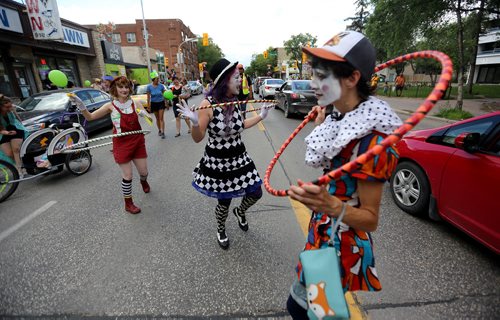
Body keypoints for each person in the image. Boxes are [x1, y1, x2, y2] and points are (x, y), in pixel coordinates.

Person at [285, 31, 403, 318]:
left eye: (322, 76)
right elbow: (331, 162)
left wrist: (331, 205)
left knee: (313, 312)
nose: (314, 84)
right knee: (315, 311)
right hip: (323, 231)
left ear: (352, 78)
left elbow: (370, 219)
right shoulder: (343, 119)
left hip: (339, 246)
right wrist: (326, 121)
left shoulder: (373, 142)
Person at [177, 58, 272, 250]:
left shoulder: (234, 101)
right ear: (224, 81)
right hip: (218, 162)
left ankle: (241, 211)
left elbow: (241, 125)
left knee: (256, 192)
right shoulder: (208, 104)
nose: (240, 81)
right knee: (224, 201)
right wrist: (195, 123)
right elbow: (198, 138)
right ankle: (221, 228)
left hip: (240, 157)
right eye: (236, 77)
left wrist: (261, 116)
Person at [69, 76, 153, 214]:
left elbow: (150, 120)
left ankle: (143, 181)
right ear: (115, 88)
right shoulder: (110, 106)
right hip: (121, 143)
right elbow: (90, 117)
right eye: (121, 87)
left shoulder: (135, 103)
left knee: (144, 172)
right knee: (127, 176)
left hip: (137, 140)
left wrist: (144, 114)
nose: (124, 90)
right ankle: (128, 203)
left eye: (127, 87)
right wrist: (81, 106)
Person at [0, 94, 27, 176]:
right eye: (7, 107)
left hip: (16, 128)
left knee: (16, 149)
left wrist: (13, 110)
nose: (9, 108)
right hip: (4, 131)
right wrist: (7, 133)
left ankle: (19, 170)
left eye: (10, 106)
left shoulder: (11, 110)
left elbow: (17, 118)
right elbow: (1, 130)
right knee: (9, 153)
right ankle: (21, 166)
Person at [146, 71, 168, 139]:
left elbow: (165, 95)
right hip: (154, 103)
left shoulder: (161, 86)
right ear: (153, 79)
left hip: (161, 103)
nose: (158, 80)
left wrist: (166, 103)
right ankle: (159, 130)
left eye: (158, 79)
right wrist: (148, 106)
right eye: (156, 79)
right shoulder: (149, 87)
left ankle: (163, 132)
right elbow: (148, 97)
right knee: (157, 118)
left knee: (161, 118)